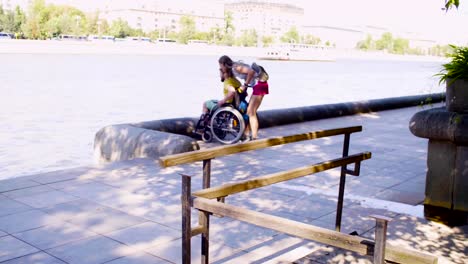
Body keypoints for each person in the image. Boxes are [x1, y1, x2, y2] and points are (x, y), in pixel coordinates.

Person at [218, 55, 269, 141]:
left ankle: (254, 137)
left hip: (259, 84)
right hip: (258, 85)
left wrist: (245, 85)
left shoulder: (236, 67)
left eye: (220, 66)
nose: (220, 68)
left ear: (224, 64)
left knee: (251, 112)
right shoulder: (233, 70)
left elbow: (251, 71)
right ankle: (249, 135)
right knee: (250, 111)